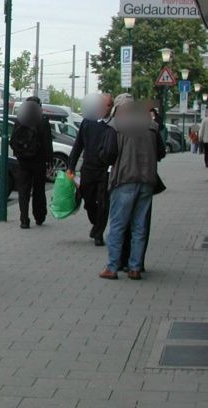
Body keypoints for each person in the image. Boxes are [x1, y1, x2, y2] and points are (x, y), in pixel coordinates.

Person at [100, 94, 166, 281]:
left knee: (118, 225)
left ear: (119, 109)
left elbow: (108, 153)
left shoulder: (116, 126)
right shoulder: (151, 126)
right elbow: (161, 152)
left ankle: (112, 267)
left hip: (123, 179)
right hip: (146, 180)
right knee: (139, 226)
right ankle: (135, 268)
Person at [67, 93, 113, 246]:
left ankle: (99, 233)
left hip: (106, 169)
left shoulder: (114, 124)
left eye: (106, 105)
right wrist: (71, 167)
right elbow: (78, 145)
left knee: (103, 202)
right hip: (88, 167)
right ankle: (96, 223)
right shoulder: (88, 122)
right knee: (89, 200)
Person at [10, 97, 54, 229]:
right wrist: (49, 161)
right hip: (38, 161)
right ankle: (39, 216)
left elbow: (13, 140)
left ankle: (24, 219)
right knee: (39, 189)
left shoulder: (20, 120)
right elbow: (47, 143)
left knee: (23, 190)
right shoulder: (42, 121)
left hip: (23, 161)